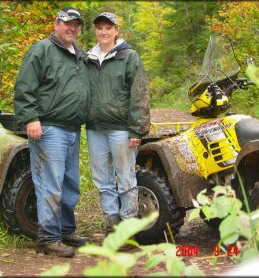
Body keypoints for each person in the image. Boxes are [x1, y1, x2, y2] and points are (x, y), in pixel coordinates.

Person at [13, 7, 90, 258]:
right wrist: (31, 118)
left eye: (76, 25)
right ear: (56, 24)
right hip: (48, 128)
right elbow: (25, 87)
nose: (72, 28)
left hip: (72, 129)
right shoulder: (41, 50)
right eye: (68, 23)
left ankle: (66, 230)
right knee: (50, 183)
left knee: (70, 184)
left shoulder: (79, 54)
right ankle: (48, 238)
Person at [85, 12, 150, 242]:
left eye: (108, 28)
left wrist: (137, 130)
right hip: (95, 128)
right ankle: (112, 227)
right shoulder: (89, 58)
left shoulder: (129, 57)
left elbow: (140, 94)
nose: (103, 32)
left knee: (125, 178)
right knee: (102, 180)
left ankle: (128, 231)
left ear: (116, 30)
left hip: (121, 129)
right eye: (100, 28)